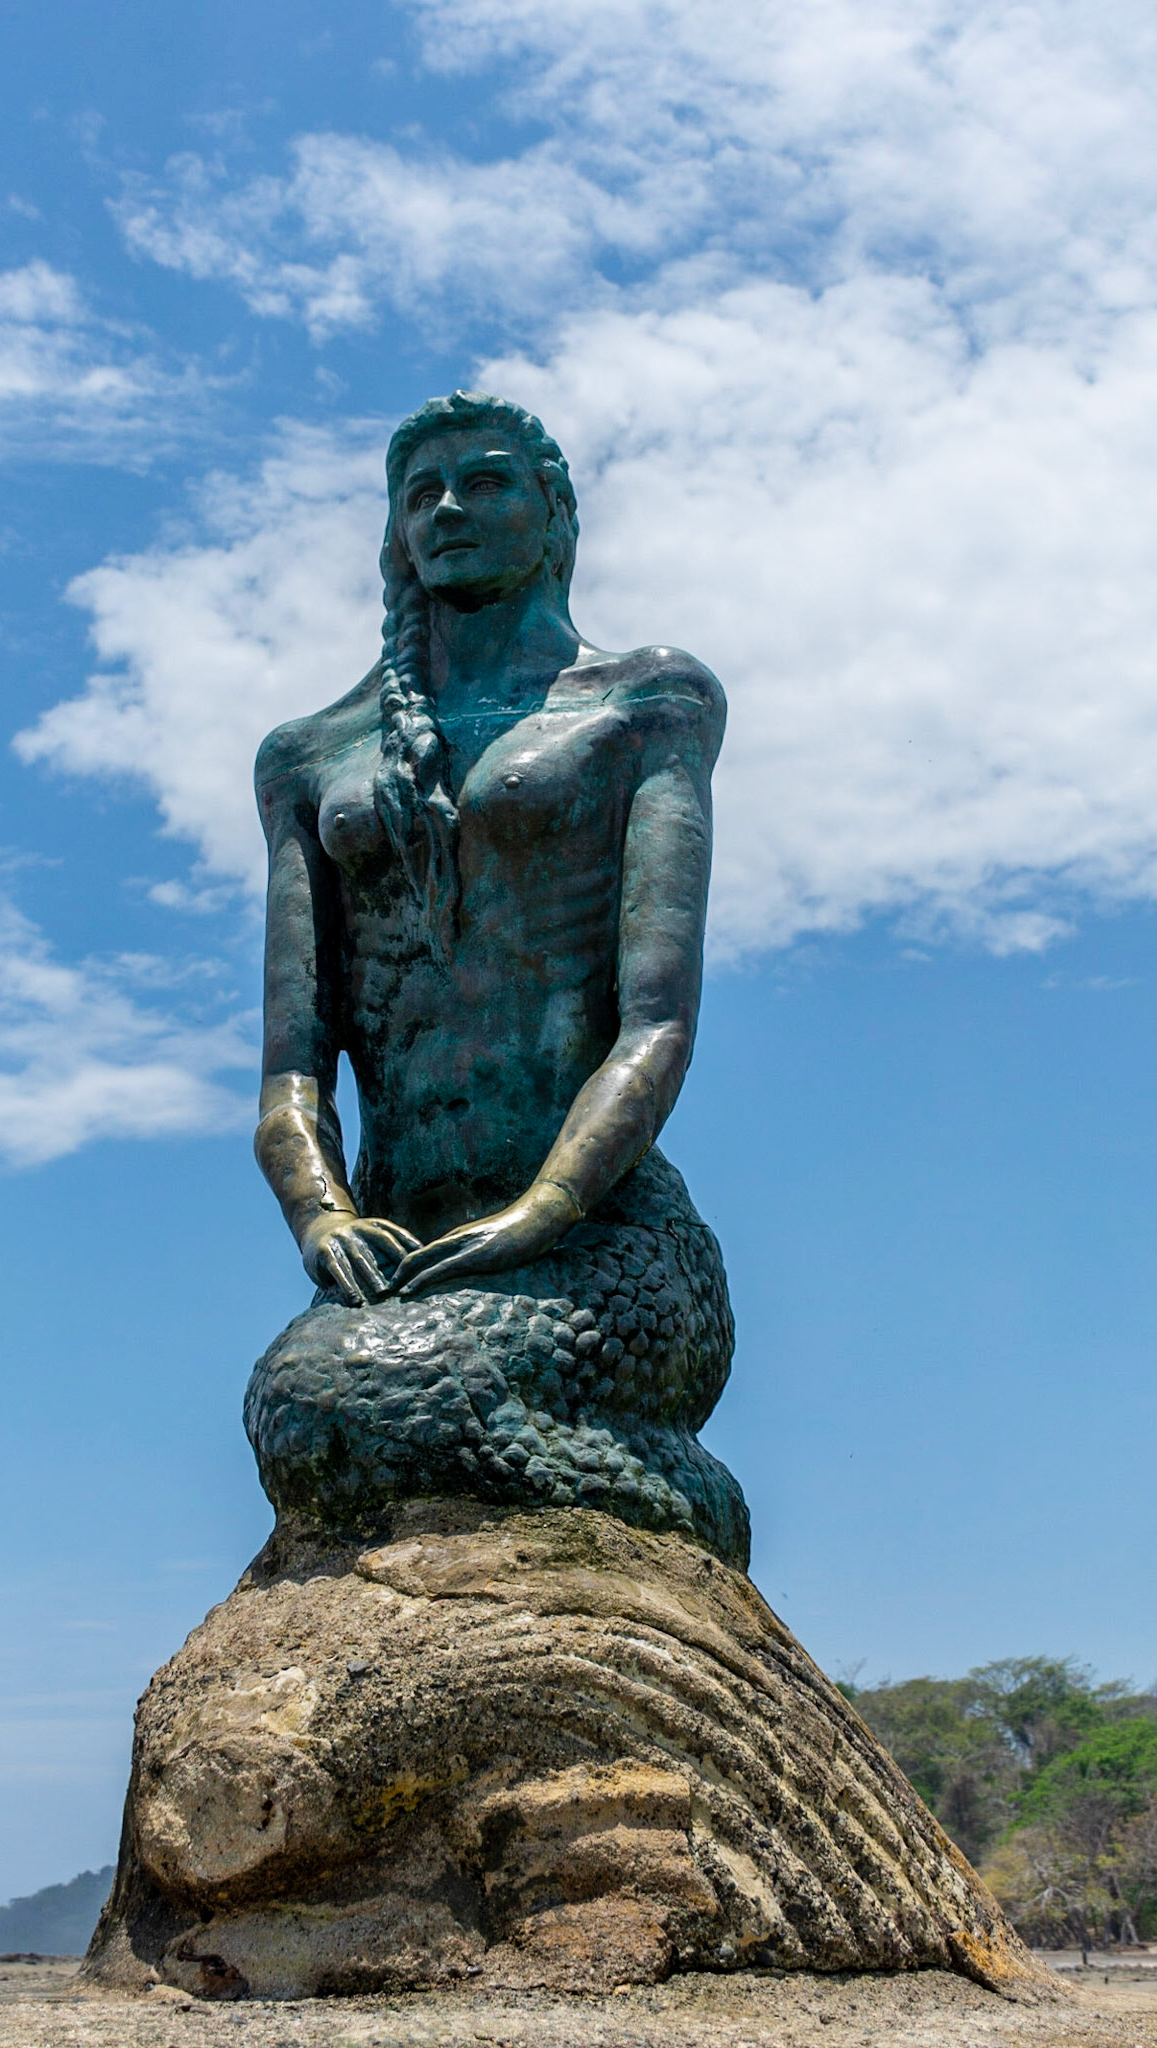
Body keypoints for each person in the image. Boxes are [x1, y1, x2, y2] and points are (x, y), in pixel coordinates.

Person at [245, 391, 748, 1565]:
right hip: (404, 1258)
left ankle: (666, 1524)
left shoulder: (645, 702)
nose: (450, 509)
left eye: (485, 482)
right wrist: (322, 1217)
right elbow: (288, 1077)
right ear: (393, 534)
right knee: (302, 1403)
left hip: (600, 1244)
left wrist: (542, 1211)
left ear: (555, 513)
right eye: (421, 493)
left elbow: (656, 1026)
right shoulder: (308, 755)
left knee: (344, 1404)